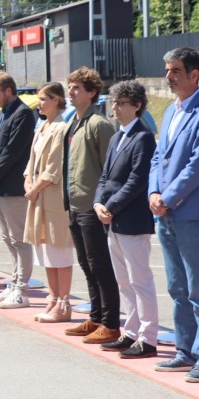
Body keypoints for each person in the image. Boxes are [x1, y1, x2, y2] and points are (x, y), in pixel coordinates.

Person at [150, 47, 199, 383]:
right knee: (176, 286)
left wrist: (167, 196)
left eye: (175, 71)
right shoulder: (171, 111)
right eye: (167, 70)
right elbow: (158, 157)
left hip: (193, 212)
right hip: (166, 211)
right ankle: (185, 350)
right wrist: (153, 192)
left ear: (194, 75)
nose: (169, 77)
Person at [94, 80, 159, 359]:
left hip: (131, 220)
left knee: (140, 279)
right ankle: (130, 332)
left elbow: (137, 180)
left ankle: (148, 337)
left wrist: (111, 205)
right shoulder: (116, 137)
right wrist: (98, 202)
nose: (115, 108)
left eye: (121, 103)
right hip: (113, 220)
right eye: (114, 102)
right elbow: (105, 176)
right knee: (123, 280)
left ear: (137, 106)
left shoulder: (143, 137)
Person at [62, 68, 121, 345]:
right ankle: (96, 316)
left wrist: (104, 202)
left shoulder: (99, 124)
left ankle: (110, 323)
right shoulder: (74, 122)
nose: (71, 92)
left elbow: (111, 169)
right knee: (86, 264)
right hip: (75, 203)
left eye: (76, 88)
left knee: (100, 265)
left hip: (92, 205)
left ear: (92, 92)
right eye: (70, 87)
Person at [0, 72, 36, 309]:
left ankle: (22, 289)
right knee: (7, 238)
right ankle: (14, 283)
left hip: (11, 186)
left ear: (8, 90)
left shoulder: (23, 114)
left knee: (19, 239)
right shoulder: (2, 112)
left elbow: (12, 151)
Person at [23, 82, 73, 322]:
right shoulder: (42, 126)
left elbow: (54, 166)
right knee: (44, 250)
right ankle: (52, 298)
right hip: (37, 195)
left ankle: (64, 303)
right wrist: (27, 181)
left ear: (56, 100)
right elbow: (31, 162)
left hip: (51, 197)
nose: (39, 103)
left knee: (58, 250)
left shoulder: (62, 127)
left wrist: (36, 187)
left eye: (43, 98)